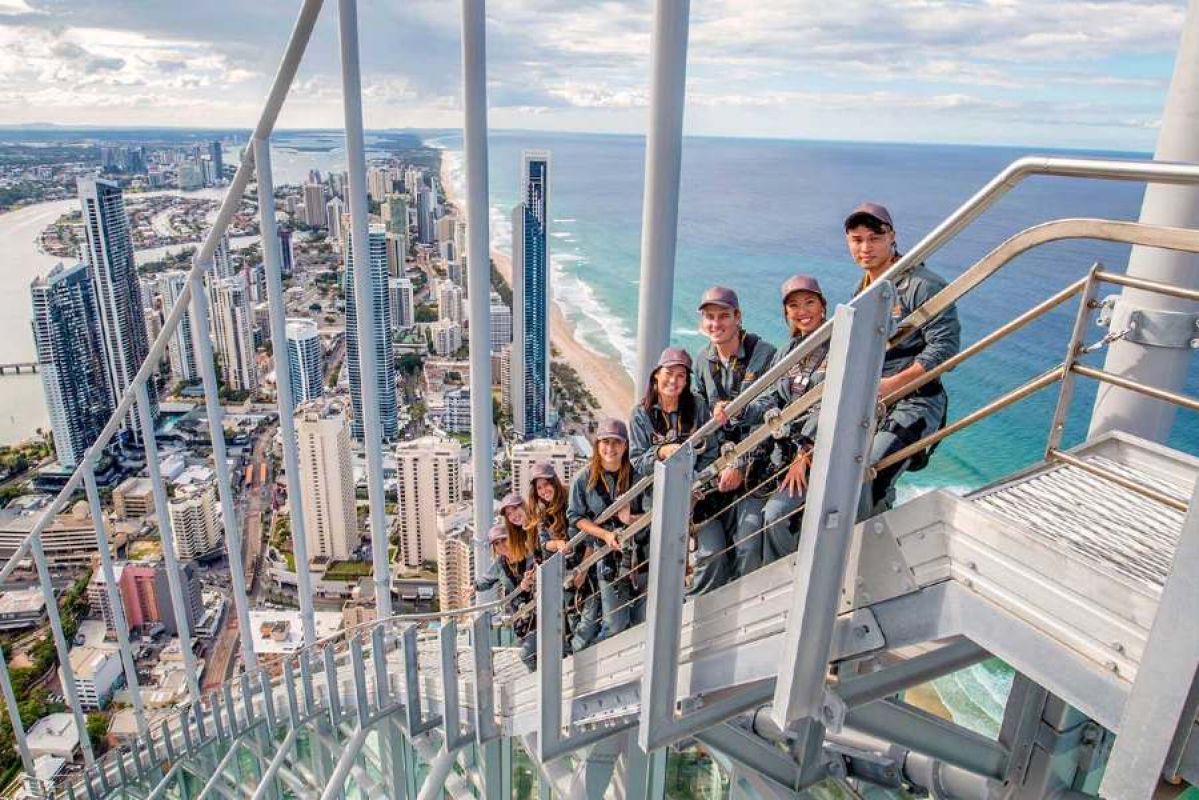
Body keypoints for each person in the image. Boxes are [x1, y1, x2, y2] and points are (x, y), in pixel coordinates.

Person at [844, 202, 960, 517]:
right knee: (845, 476)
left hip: (916, 401)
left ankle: (872, 554)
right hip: (876, 403)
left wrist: (893, 384)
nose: (865, 248)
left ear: (892, 237)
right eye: (857, 240)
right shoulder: (863, 288)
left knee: (872, 473)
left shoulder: (921, 285)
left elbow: (946, 347)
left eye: (874, 238)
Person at [733, 275, 830, 571]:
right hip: (785, 449)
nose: (803, 311)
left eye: (809, 302)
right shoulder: (788, 353)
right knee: (753, 524)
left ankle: (786, 577)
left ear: (823, 307)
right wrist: (740, 411)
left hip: (818, 448)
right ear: (787, 313)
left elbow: (828, 405)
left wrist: (806, 450)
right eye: (794, 306)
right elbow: (771, 395)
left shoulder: (837, 346)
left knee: (775, 514)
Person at [692, 286, 779, 578]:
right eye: (710, 317)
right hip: (719, 464)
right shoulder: (702, 361)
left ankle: (748, 603)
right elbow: (701, 418)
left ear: (738, 317)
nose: (716, 324)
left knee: (748, 539)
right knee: (711, 548)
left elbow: (769, 409)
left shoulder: (763, 354)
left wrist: (739, 461)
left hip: (756, 462)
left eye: (723, 316)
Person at [629, 347, 730, 595]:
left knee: (713, 550)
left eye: (681, 376)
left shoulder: (697, 406)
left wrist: (697, 481)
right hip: (659, 499)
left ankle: (697, 600)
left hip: (696, 495)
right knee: (666, 561)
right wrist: (661, 453)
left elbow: (711, 448)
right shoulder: (641, 415)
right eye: (668, 373)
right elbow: (637, 461)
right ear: (656, 375)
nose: (673, 381)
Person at [567, 418, 641, 644]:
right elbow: (575, 516)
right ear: (598, 445)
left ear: (625, 446)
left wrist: (630, 519)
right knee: (615, 622)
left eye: (616, 442)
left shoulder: (636, 474)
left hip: (639, 551)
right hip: (607, 556)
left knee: (640, 616)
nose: (610, 448)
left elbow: (653, 510)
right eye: (605, 442)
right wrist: (605, 534)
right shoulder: (584, 478)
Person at [525, 461, 593, 653]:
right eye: (539, 487)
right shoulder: (543, 513)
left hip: (589, 566)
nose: (544, 490)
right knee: (573, 624)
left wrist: (585, 568)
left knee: (587, 627)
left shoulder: (573, 497)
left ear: (554, 481)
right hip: (569, 576)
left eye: (547, 484)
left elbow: (590, 533)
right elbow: (544, 542)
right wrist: (559, 544)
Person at [475, 524, 537, 668]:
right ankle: (537, 678)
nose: (501, 545)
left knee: (527, 653)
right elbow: (487, 579)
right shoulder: (500, 564)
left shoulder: (529, 554)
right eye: (496, 543)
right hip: (521, 617)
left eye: (504, 540)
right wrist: (474, 587)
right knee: (530, 653)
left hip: (538, 609)